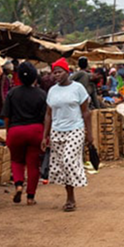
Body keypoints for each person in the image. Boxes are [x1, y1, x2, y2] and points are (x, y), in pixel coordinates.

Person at [42, 58, 92, 212]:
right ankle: (70, 196)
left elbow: (86, 112)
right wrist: (45, 136)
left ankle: (72, 195)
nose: (56, 75)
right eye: (54, 73)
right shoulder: (52, 91)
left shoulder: (78, 88)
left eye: (59, 72)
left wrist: (89, 133)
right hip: (57, 131)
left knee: (68, 159)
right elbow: (48, 115)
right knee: (61, 165)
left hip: (75, 129)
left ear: (67, 72)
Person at [2, 62, 46, 206]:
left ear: (19, 77)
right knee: (33, 165)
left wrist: (8, 132)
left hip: (16, 131)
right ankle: (30, 197)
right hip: (36, 131)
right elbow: (46, 117)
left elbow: (7, 116)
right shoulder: (41, 94)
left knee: (16, 161)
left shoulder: (12, 93)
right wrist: (46, 135)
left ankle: (19, 185)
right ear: (35, 77)